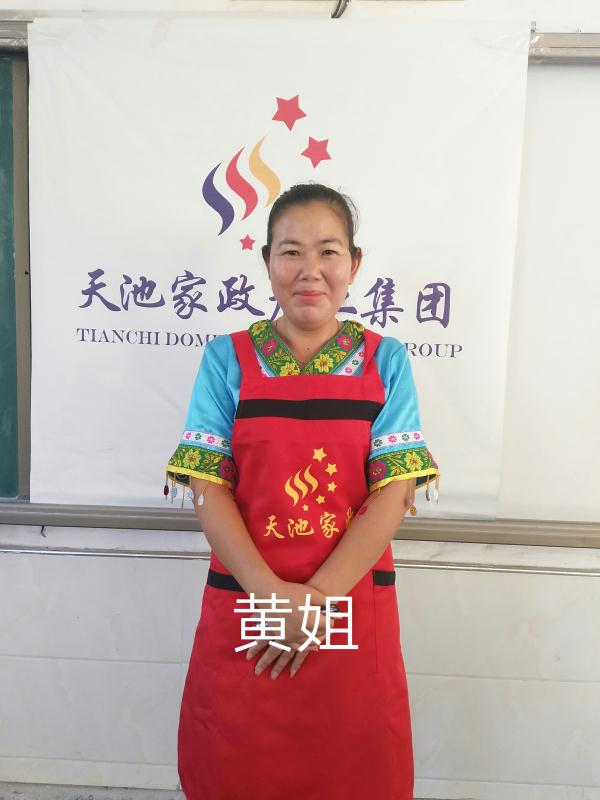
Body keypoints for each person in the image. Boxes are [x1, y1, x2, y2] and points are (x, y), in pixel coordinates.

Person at [164, 183, 440, 800]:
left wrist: (314, 602)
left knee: (352, 771)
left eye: (328, 251)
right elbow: (208, 485)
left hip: (347, 606)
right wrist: (274, 598)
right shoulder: (227, 359)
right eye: (290, 251)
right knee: (237, 768)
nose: (309, 270)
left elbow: (393, 492)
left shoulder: (385, 361)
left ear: (354, 264)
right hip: (249, 603)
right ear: (267, 262)